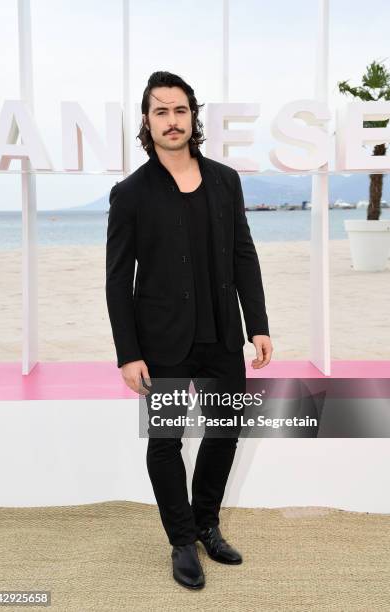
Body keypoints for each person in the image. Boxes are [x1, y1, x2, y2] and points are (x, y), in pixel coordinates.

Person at [105, 71, 273, 590]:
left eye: (179, 110)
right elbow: (117, 278)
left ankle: (206, 524)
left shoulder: (225, 180)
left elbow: (244, 254)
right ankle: (181, 540)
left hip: (222, 333)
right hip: (161, 342)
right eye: (161, 111)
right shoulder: (130, 192)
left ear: (193, 116)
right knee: (166, 442)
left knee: (225, 432)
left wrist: (258, 325)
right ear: (147, 121)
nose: (172, 120)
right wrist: (128, 353)